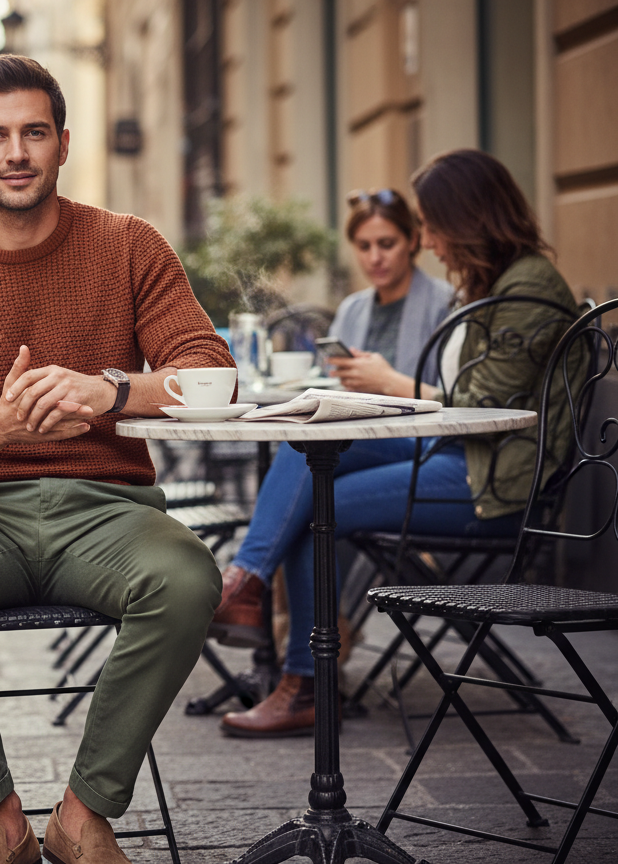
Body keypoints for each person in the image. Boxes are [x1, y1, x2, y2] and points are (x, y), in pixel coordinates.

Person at [0, 56, 231, 864]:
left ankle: (82, 813)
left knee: (187, 577)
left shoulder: (129, 245)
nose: (16, 152)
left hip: (107, 512)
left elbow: (212, 375)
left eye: (33, 132)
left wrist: (111, 394)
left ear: (64, 143)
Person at [211, 149, 581, 739]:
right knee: (310, 439)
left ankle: (299, 675)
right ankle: (250, 587)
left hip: (495, 483)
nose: (428, 240)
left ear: (468, 218)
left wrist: (390, 384)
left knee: (315, 506)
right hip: (459, 457)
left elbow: (483, 403)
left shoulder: (528, 286)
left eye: (433, 224)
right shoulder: (494, 282)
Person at [327, 188, 454, 389]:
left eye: (386, 244)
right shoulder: (350, 310)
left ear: (413, 240)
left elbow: (454, 398)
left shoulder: (446, 304)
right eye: (364, 246)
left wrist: (386, 381)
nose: (375, 258)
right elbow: (331, 383)